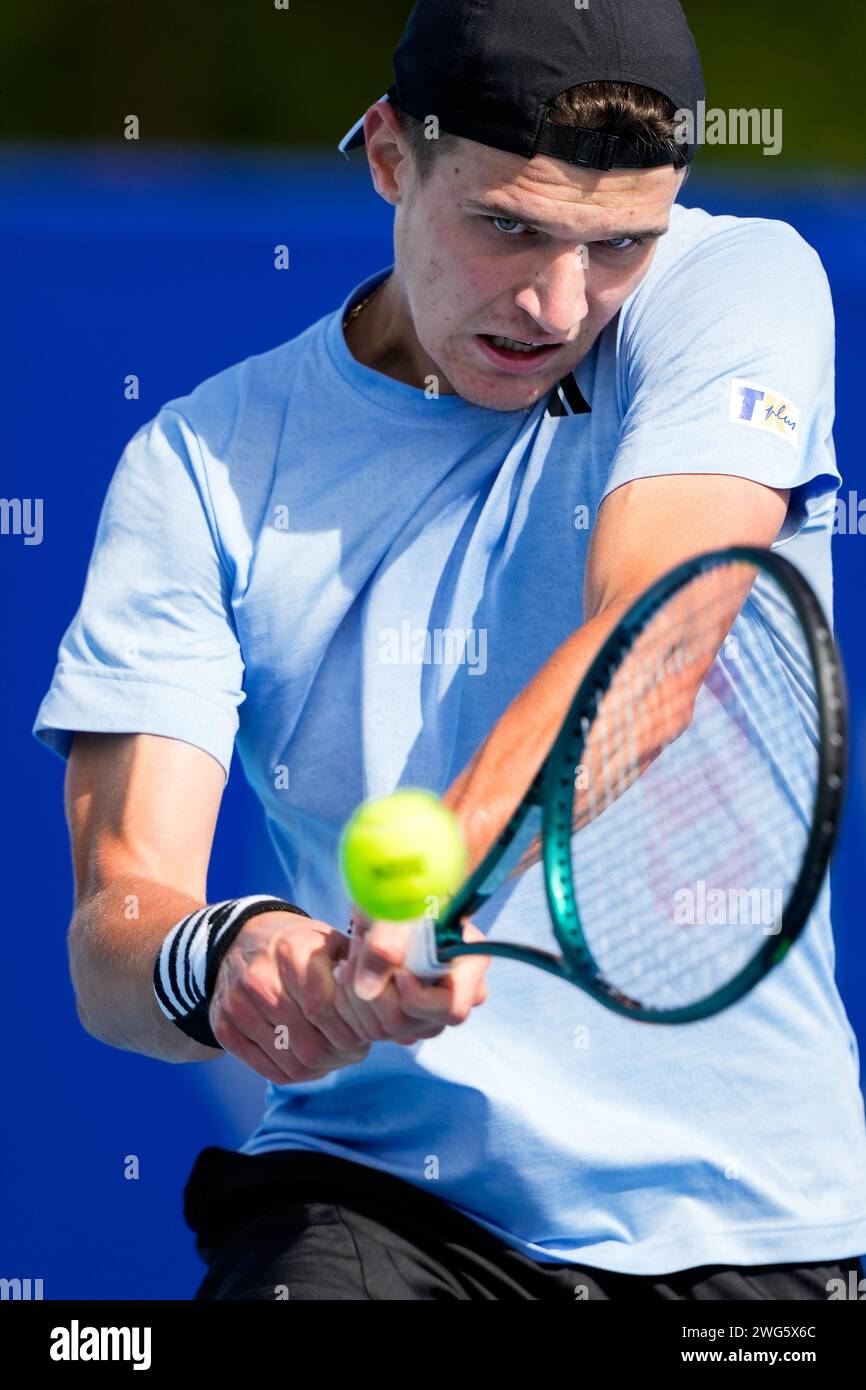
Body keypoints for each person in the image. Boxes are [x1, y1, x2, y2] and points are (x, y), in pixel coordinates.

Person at [35, 0, 866, 1300]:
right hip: (376, 1200)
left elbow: (653, 638)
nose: (556, 301)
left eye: (617, 246)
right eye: (506, 225)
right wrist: (234, 953)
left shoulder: (738, 283)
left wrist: (442, 879)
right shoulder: (198, 467)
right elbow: (116, 922)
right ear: (385, 156)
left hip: (751, 1228)